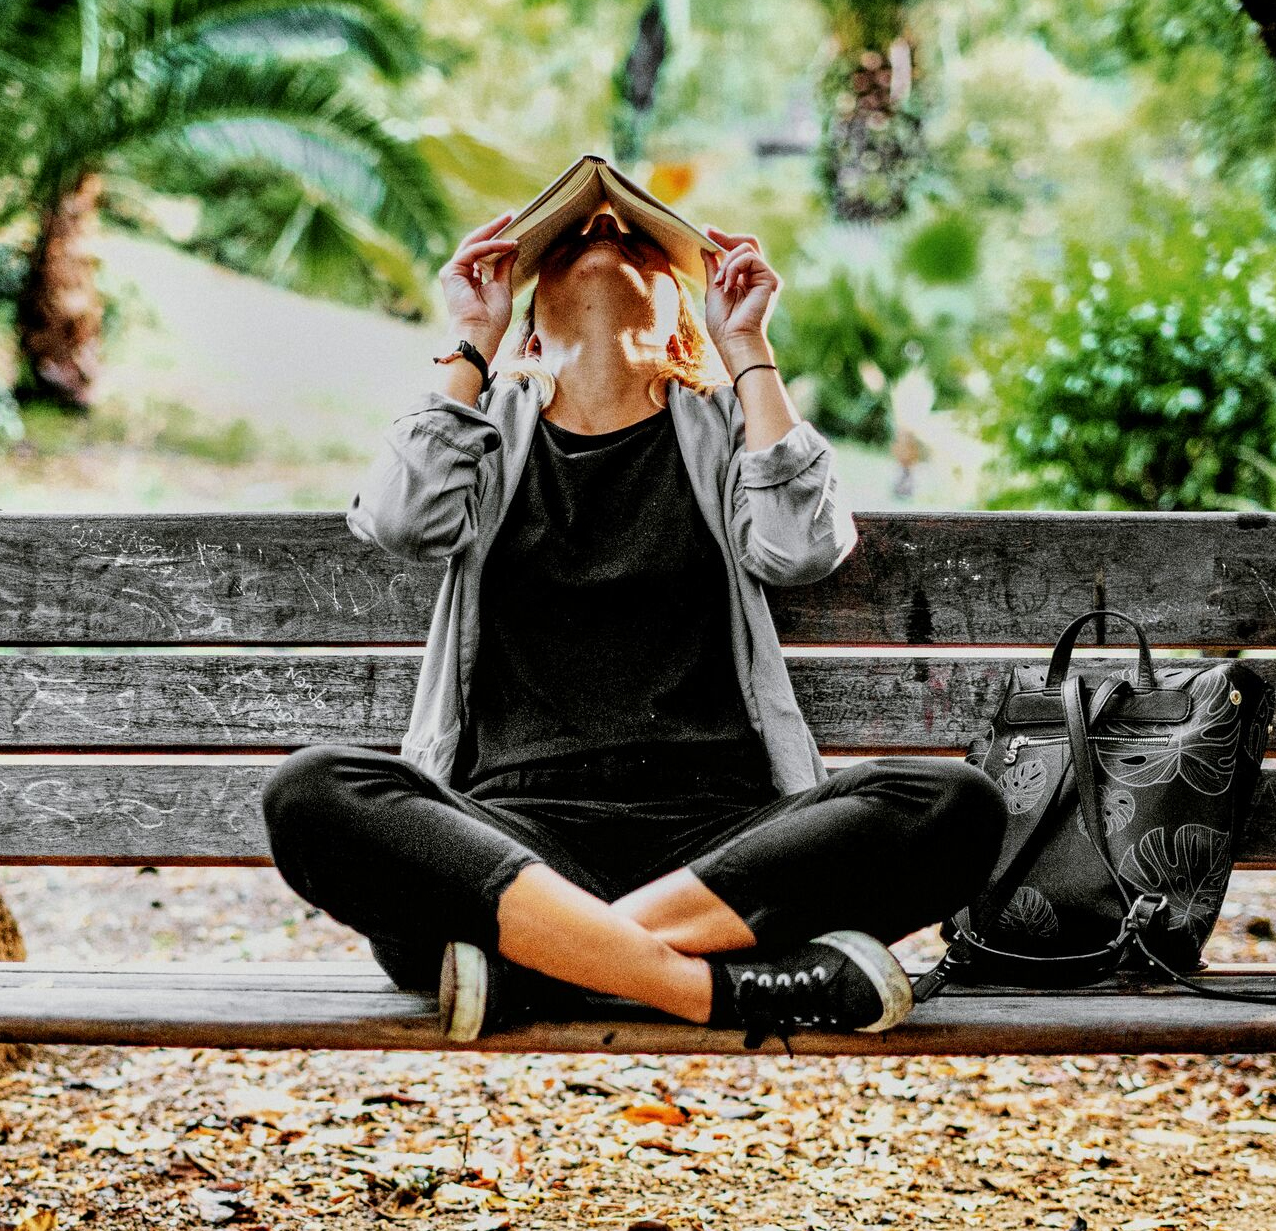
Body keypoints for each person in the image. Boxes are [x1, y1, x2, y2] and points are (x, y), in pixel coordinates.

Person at [259, 198, 1005, 1051]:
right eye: (575, 234)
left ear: (678, 323)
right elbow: (399, 521)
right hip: (510, 844)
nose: (603, 231)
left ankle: (543, 965)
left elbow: (802, 548)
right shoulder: (484, 435)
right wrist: (474, 337)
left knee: (952, 802)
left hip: (724, 849)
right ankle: (709, 989)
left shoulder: (728, 430)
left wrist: (747, 350)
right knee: (313, 792)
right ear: (533, 329)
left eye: (631, 236)